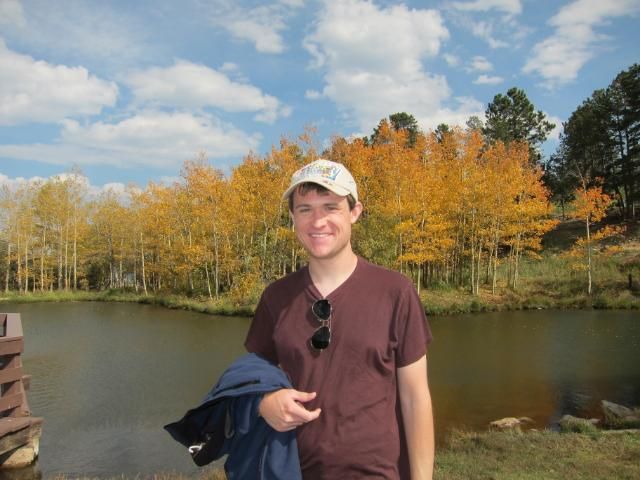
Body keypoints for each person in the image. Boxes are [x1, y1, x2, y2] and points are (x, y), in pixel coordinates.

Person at [245, 159, 434, 479]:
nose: (317, 221)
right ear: (293, 217)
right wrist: (264, 401)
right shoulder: (276, 297)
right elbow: (250, 377)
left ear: (354, 212)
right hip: (292, 471)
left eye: (330, 207)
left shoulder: (395, 292)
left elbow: (415, 398)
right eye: (305, 209)